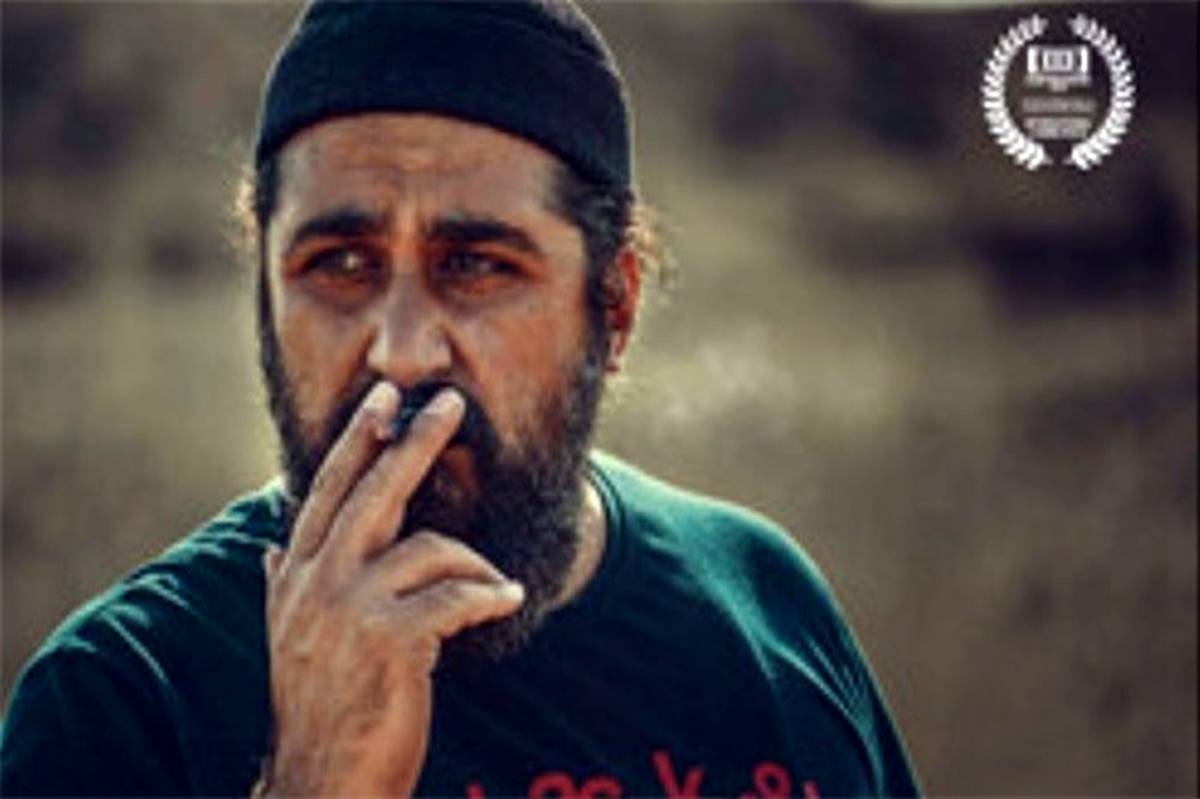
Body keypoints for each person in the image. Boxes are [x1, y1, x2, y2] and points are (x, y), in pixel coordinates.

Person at [0, 1, 920, 796]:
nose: (401, 352)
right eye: (340, 264)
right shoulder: (120, 702)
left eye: (476, 265)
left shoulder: (766, 609)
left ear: (614, 306)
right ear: (266, 299)